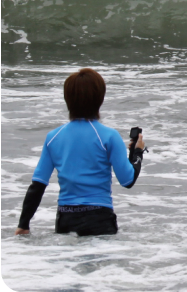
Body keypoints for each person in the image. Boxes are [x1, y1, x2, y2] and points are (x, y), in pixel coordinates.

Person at [15, 68, 146, 236]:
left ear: (67, 98)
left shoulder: (53, 137)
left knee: (69, 261)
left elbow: (38, 185)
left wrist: (23, 224)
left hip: (65, 218)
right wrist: (137, 153)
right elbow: (127, 180)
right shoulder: (109, 136)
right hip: (99, 219)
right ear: (100, 98)